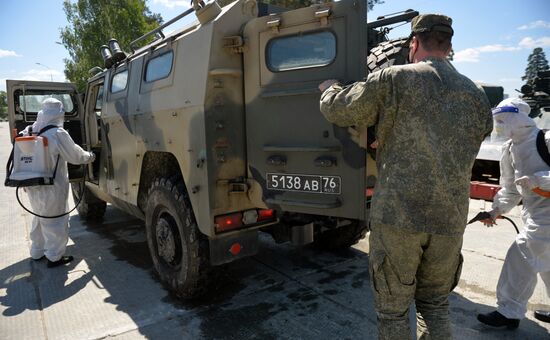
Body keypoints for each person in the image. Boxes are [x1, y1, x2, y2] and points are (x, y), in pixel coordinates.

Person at [319, 14, 493, 339]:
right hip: (450, 221)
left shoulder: (395, 79)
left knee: (394, 312)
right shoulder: (476, 96)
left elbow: (341, 110)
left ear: (414, 43)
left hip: (399, 218)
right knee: (436, 305)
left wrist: (330, 90)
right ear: (450, 45)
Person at [477, 98, 550, 328]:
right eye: (496, 121)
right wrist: (496, 210)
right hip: (534, 213)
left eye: (502, 120)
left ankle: (509, 312)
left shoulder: (545, 140)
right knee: (546, 264)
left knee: (521, 254)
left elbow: (531, 182)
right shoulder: (508, 149)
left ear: (518, 118)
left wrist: (539, 180)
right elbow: (510, 188)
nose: (498, 126)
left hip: (547, 215)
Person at [22, 98, 95, 268]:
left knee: (40, 216)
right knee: (55, 220)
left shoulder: (30, 129)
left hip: (32, 184)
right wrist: (91, 156)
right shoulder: (57, 133)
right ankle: (54, 257)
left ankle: (37, 252)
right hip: (52, 186)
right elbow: (75, 156)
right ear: (59, 113)